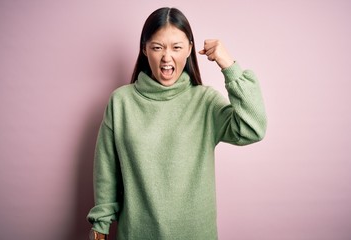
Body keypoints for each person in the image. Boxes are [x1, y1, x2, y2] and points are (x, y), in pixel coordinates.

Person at [87, 7, 267, 240]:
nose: (166, 57)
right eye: (157, 47)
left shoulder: (204, 102)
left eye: (177, 47)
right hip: (135, 233)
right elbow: (106, 169)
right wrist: (100, 227)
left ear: (190, 49)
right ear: (144, 49)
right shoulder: (121, 102)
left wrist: (229, 65)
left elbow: (253, 128)